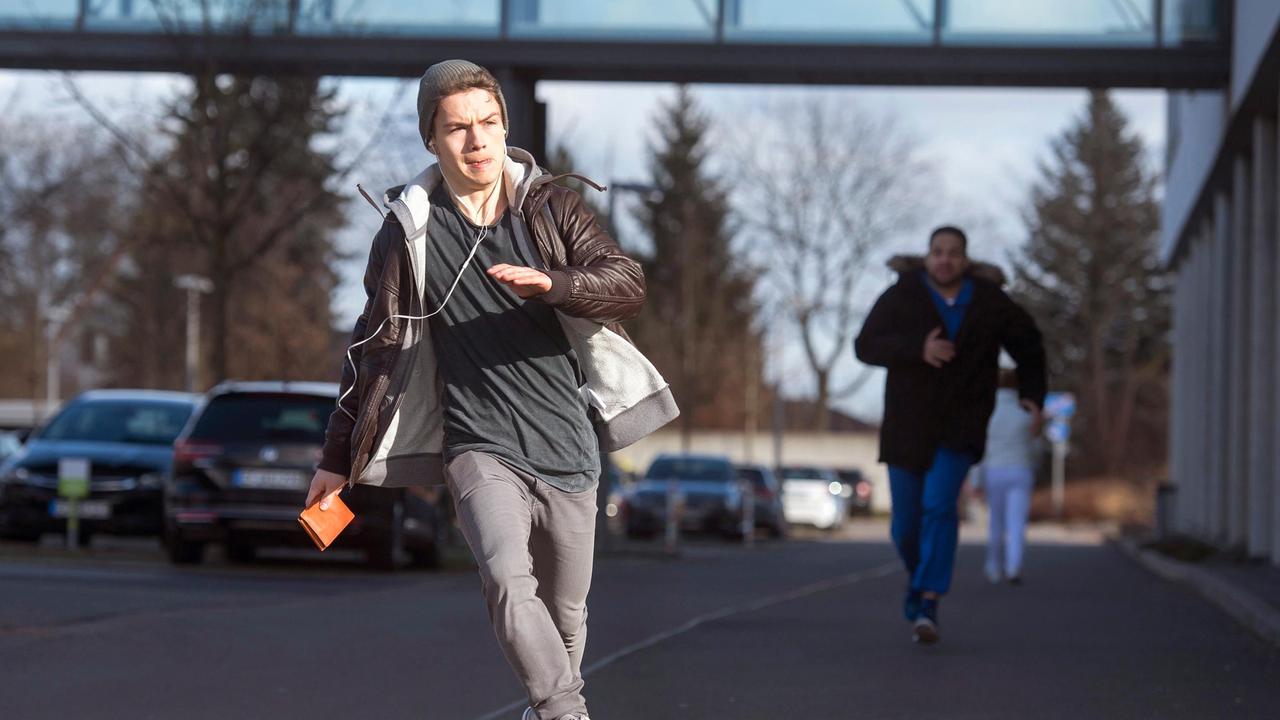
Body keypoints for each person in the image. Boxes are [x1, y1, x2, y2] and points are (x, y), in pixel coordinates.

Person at [306, 59, 677, 720]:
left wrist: (556, 285)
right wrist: (336, 458)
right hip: (478, 443)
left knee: (565, 621)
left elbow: (625, 282)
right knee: (507, 579)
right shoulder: (406, 230)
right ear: (431, 139)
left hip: (568, 448)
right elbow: (371, 346)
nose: (477, 141)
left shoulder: (552, 208)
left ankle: (548, 709)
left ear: (506, 126)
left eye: (488, 124)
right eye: (457, 129)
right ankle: (568, 715)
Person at [854, 225, 1046, 645]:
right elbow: (865, 346)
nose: (945, 259)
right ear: (927, 256)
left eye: (953, 253)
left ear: (965, 259)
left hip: (961, 425)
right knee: (904, 526)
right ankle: (918, 583)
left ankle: (927, 601)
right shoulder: (902, 294)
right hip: (907, 427)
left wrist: (1033, 394)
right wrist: (915, 349)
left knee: (939, 507)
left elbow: (1029, 343)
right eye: (937, 252)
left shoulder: (990, 300)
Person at [976, 368, 1042, 586]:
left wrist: (976, 480)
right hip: (1020, 471)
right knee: (1016, 524)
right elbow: (1036, 447)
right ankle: (1014, 567)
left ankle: (993, 567)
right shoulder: (1025, 414)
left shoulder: (987, 413)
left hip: (994, 471)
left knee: (996, 523)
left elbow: (981, 450)